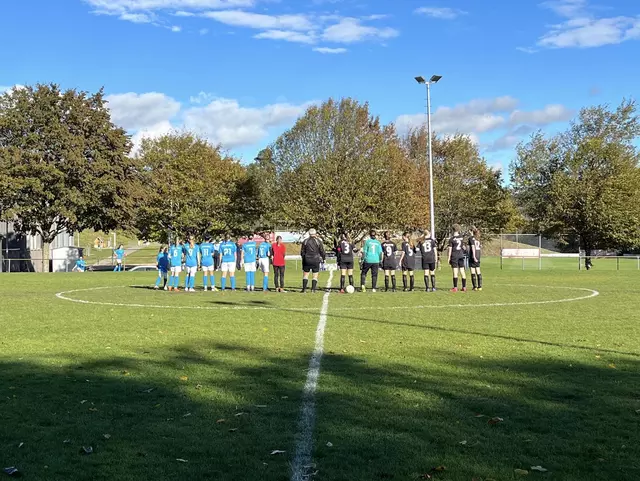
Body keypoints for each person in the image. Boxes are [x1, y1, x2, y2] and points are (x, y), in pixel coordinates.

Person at [300, 229, 325, 293]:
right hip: (315, 259)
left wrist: (304, 258)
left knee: (305, 274)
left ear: (309, 233)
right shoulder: (318, 241)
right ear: (315, 233)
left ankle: (304, 289)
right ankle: (313, 289)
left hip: (307, 260)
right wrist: (323, 258)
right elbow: (322, 251)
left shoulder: (305, 241)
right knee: (315, 275)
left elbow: (302, 252)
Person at [447, 224, 467, 292]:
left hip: (454, 256)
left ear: (452, 230)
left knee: (455, 272)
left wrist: (449, 258)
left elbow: (450, 249)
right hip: (461, 255)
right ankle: (464, 287)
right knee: (462, 271)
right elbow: (463, 246)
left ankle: (455, 287)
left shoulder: (451, 239)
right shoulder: (461, 237)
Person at [468, 227, 483, 291]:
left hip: (473, 256)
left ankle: (475, 287)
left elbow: (473, 247)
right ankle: (480, 286)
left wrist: (473, 256)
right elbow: (480, 246)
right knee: (478, 271)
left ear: (470, 231)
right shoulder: (478, 238)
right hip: (478, 255)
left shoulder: (471, 238)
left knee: (473, 271)